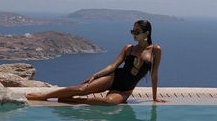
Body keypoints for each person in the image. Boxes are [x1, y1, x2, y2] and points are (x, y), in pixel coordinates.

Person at [26, 20, 166, 104]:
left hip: (125, 89)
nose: (133, 34)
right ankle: (43, 96)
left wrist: (154, 98)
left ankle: (72, 100)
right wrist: (96, 75)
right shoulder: (129, 48)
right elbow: (113, 65)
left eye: (137, 31)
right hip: (113, 78)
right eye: (132, 31)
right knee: (81, 89)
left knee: (109, 102)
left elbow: (154, 75)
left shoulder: (155, 50)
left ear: (147, 33)